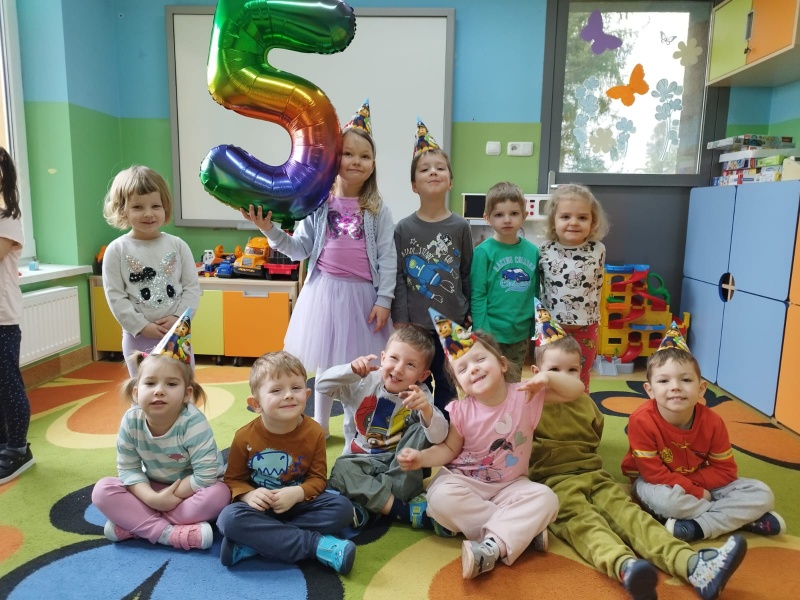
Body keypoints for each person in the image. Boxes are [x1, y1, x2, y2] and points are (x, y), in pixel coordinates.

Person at [528, 313, 747, 600]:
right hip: (554, 483)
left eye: (571, 370)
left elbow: (593, 437)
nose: (563, 377)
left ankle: (693, 564)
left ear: (581, 371)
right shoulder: (528, 405)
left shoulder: (586, 404)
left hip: (595, 475)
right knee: (584, 523)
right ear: (537, 372)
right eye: (554, 370)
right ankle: (625, 567)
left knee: (632, 516)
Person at [240, 100, 396, 437]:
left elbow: (388, 257)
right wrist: (269, 230)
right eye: (348, 153)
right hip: (324, 293)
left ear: (373, 164)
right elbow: (299, 249)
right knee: (327, 363)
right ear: (333, 159)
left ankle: (357, 425)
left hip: (363, 297)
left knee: (364, 366)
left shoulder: (377, 209)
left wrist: (385, 299)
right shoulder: (318, 203)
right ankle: (321, 425)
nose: (356, 161)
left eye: (365, 156)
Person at [398, 309, 585, 580]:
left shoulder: (526, 394)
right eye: (462, 369)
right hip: (465, 482)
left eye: (479, 359)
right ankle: (516, 533)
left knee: (547, 499)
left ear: (503, 364)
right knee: (438, 500)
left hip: (511, 485)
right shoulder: (461, 410)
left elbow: (576, 390)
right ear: (460, 383)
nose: (473, 368)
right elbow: (449, 450)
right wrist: (421, 458)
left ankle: (495, 543)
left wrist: (548, 378)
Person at [622, 325, 786, 543]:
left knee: (761, 493)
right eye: (663, 381)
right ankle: (741, 519)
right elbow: (653, 474)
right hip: (657, 483)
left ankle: (697, 527)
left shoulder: (713, 422)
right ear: (649, 390)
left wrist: (694, 487)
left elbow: (726, 471)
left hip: (699, 479)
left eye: (686, 380)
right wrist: (697, 492)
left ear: (701, 388)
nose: (675, 387)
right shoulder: (641, 420)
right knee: (670, 503)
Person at [92, 310, 229, 550]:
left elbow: (206, 476)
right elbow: (129, 469)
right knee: (102, 491)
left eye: (171, 384)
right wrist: (153, 498)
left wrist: (170, 498)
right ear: (136, 392)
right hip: (153, 487)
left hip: (190, 489)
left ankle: (137, 525)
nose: (159, 390)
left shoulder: (192, 422)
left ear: (187, 394)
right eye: (150, 383)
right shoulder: (131, 420)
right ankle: (169, 533)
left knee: (220, 495)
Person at [216, 351, 356, 574]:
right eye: (276, 390)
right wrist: (249, 495)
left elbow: (318, 479)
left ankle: (254, 543)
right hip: (261, 510)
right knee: (228, 519)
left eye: (296, 388)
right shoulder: (244, 437)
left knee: (343, 509)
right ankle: (316, 545)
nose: (289, 395)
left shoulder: (315, 433)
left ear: (307, 394)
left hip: (300, 505)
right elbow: (233, 479)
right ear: (256, 404)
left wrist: (298, 493)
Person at [315, 323, 448, 531]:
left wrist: (427, 411)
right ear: (383, 357)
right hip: (360, 461)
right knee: (341, 469)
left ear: (423, 376)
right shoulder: (363, 382)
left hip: (398, 467)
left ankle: (366, 505)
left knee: (420, 429)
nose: (399, 369)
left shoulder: (419, 394)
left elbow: (439, 438)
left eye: (410, 365)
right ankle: (401, 510)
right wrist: (350, 370)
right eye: (394, 358)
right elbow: (321, 385)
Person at [392, 119, 473, 419]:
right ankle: (417, 430)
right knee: (416, 384)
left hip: (453, 323)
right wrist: (401, 319)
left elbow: (467, 272)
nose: (434, 172)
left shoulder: (460, 226)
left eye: (440, 168)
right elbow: (399, 278)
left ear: (450, 181)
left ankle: (447, 432)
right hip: (417, 326)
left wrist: (469, 312)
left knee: (449, 385)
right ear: (414, 185)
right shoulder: (403, 228)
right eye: (425, 169)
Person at [102, 165, 200, 377]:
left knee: (182, 385)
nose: (148, 214)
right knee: (143, 388)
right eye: (138, 207)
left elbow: (192, 288)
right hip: (137, 337)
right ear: (123, 210)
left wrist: (178, 318)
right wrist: (141, 326)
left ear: (165, 207)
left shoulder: (178, 245)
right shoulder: (117, 250)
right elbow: (115, 297)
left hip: (176, 333)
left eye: (155, 206)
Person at [538, 183, 609, 392]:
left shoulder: (598, 249)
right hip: (550, 326)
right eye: (565, 217)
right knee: (548, 374)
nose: (574, 223)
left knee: (581, 374)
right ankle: (548, 408)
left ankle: (580, 408)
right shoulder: (544, 249)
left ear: (593, 222)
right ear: (553, 221)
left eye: (582, 217)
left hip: (586, 326)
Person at [471, 181, 539, 378]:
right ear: (487, 218)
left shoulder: (533, 251)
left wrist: (534, 327)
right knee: (488, 380)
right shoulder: (483, 252)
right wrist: (482, 332)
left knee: (513, 380)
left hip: (520, 333)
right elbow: (478, 295)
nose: (507, 220)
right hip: (491, 333)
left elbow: (535, 292)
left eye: (514, 213)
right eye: (499, 214)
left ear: (524, 215)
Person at [0, 148, 34, 484]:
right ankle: (2, 444)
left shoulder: (7, 218)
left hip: (3, 318)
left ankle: (18, 448)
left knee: (8, 384)